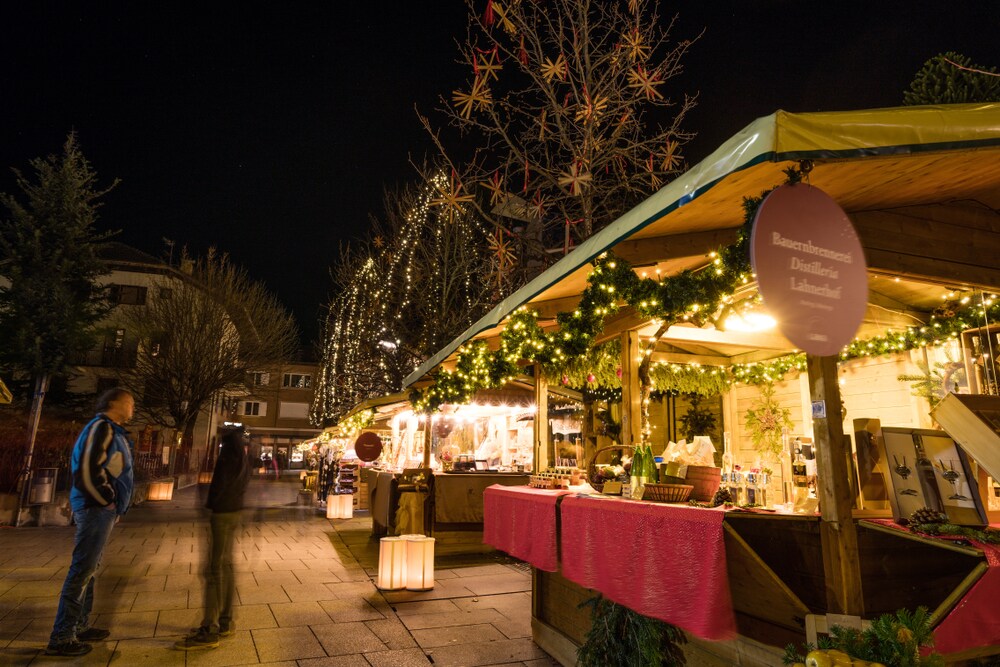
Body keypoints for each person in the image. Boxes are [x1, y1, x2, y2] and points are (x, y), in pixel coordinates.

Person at [46, 388, 135, 657]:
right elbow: (87, 469)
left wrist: (116, 505)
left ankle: (80, 625)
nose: (133, 407)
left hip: (103, 510)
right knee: (83, 570)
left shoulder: (113, 431)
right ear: (113, 403)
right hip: (94, 508)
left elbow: (114, 468)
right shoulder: (101, 428)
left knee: (91, 569)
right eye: (129, 402)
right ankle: (62, 636)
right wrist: (106, 500)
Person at [175, 427, 250, 651]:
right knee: (226, 567)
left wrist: (210, 503)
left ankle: (210, 629)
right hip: (234, 511)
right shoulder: (243, 455)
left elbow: (220, 484)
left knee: (213, 571)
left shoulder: (228, 454)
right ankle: (226, 621)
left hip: (222, 514)